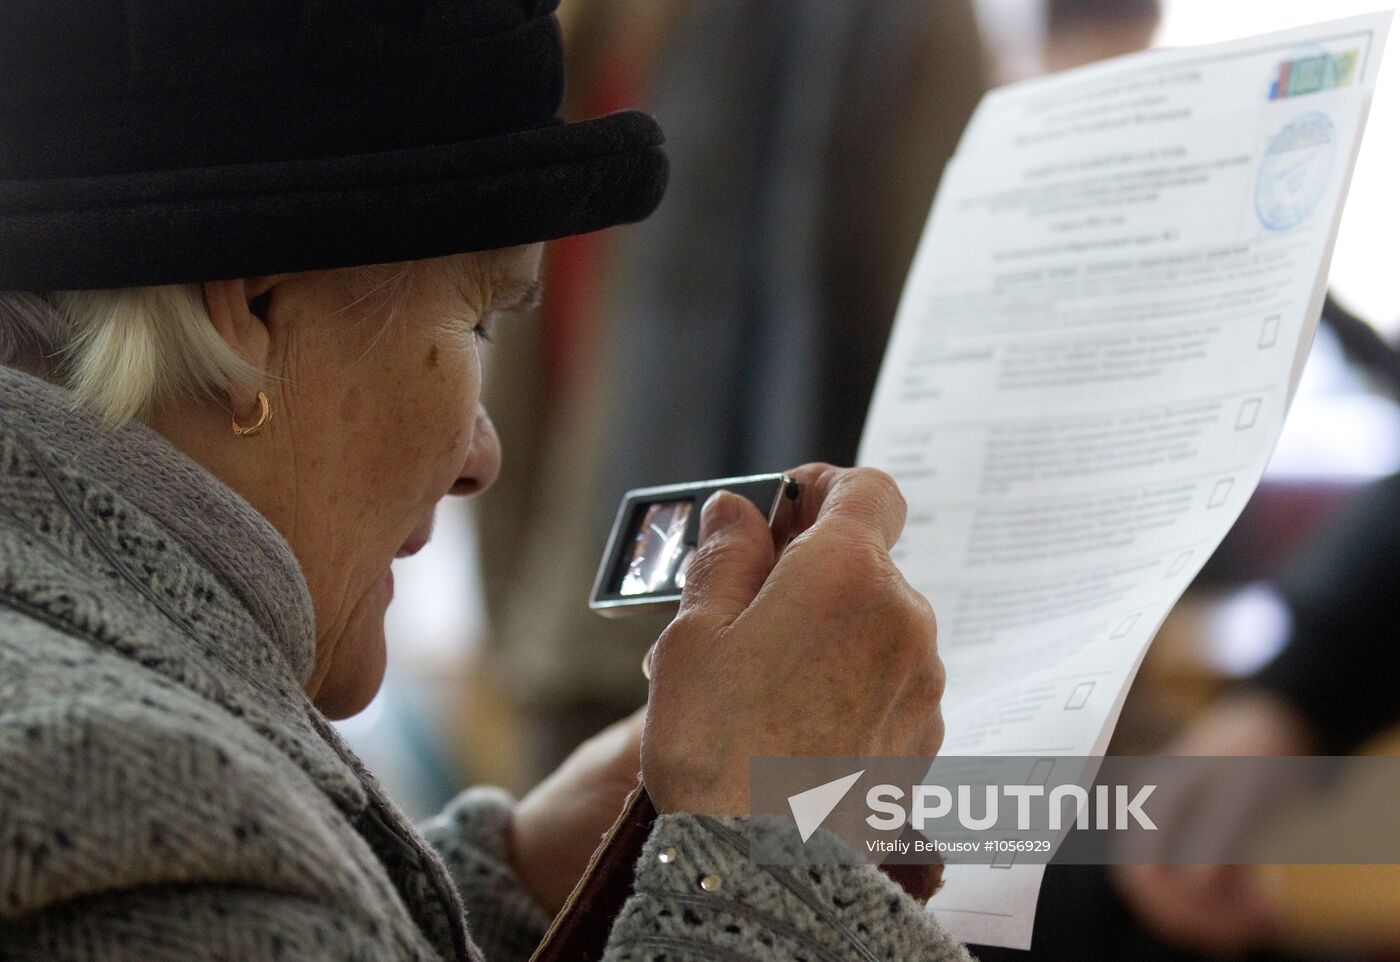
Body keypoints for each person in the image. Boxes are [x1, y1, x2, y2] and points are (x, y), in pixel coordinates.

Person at [0, 1, 962, 960]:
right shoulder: (141, 802)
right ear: (249, 310)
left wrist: (519, 885)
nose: (482, 457)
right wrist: (774, 870)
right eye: (474, 322)